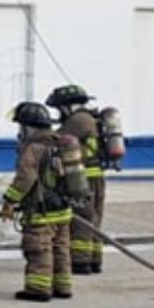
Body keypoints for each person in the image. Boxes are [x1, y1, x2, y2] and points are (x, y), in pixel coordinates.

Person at [0, 101, 89, 302]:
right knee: (61, 249)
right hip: (64, 210)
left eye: (20, 127)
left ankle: (38, 289)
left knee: (39, 249)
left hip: (42, 211)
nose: (19, 132)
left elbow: (25, 179)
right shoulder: (61, 143)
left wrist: (9, 201)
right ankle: (63, 287)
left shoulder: (34, 148)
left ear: (28, 127)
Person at [49, 83, 108, 275]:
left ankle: (80, 262)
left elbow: (56, 140)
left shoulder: (78, 120)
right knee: (93, 218)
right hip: (96, 177)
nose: (59, 113)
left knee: (81, 219)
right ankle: (94, 260)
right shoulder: (89, 118)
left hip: (83, 178)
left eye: (60, 108)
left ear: (69, 105)